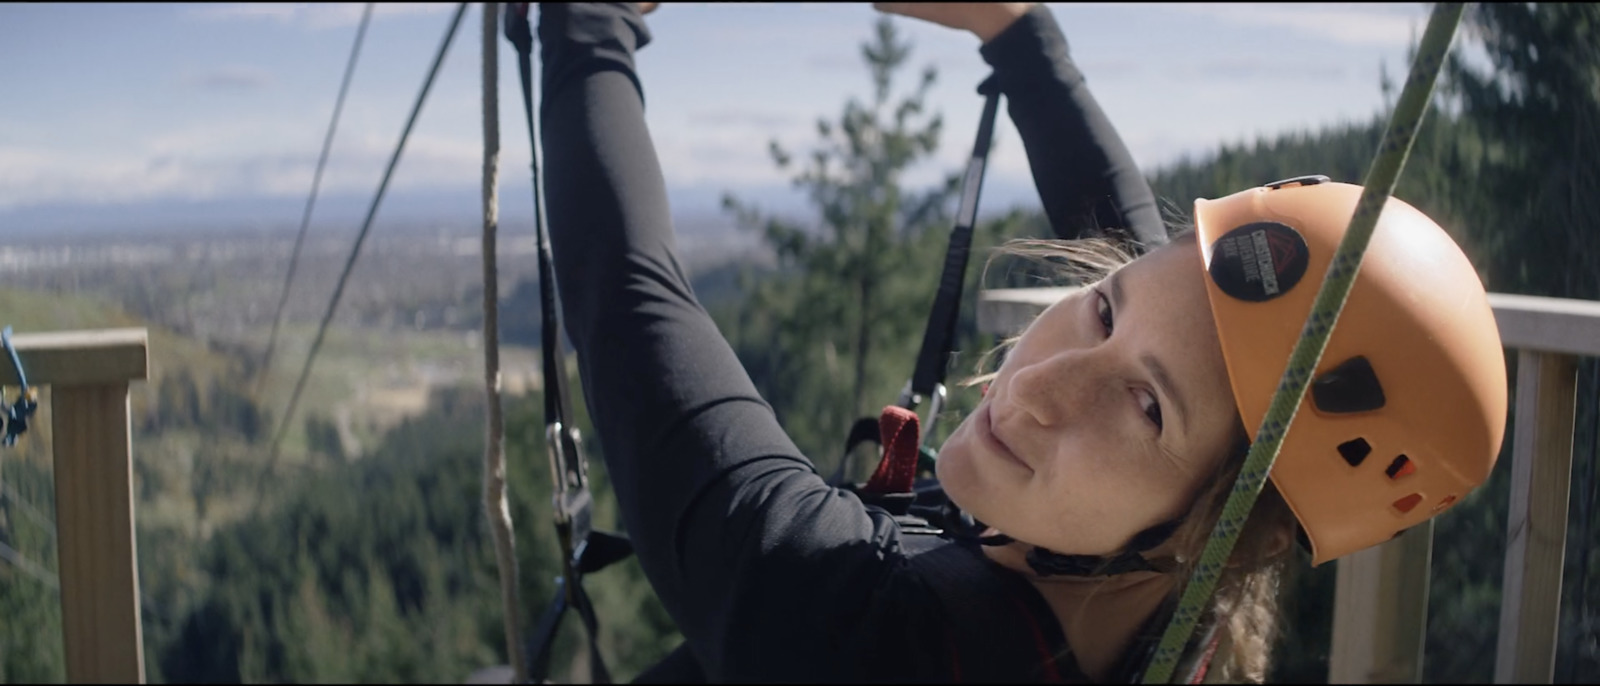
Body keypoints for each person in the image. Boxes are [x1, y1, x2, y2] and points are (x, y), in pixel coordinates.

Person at [534, 2, 1507, 682]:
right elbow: (1156, 281)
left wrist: (586, 27)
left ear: (1225, 529)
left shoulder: (843, 628)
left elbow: (627, 292)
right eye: (1100, 309)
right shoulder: (1175, 601)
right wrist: (1015, 30)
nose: (1034, 383)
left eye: (1144, 405)